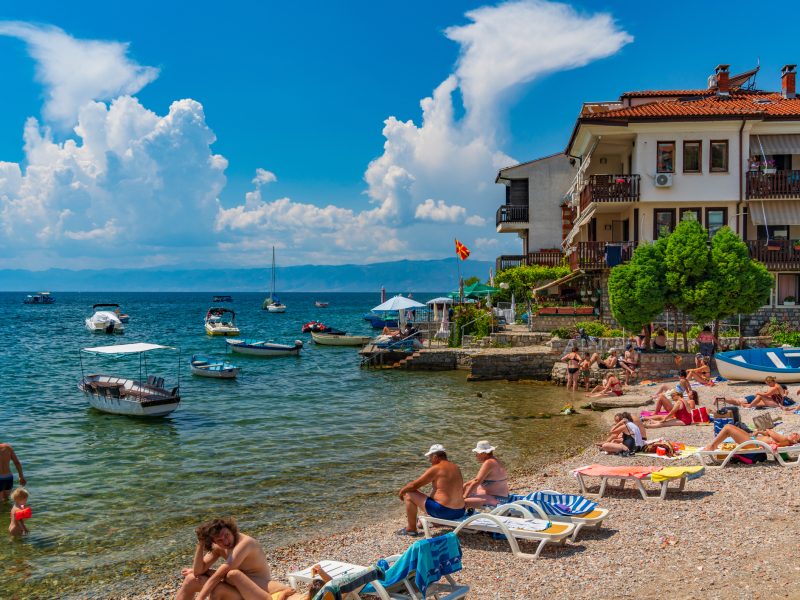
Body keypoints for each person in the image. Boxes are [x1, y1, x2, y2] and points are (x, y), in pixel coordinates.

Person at [176, 517, 290, 600]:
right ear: (213, 541)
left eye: (226, 535)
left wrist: (200, 598)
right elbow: (198, 571)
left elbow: (220, 575)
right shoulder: (218, 547)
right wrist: (200, 543)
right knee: (190, 579)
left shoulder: (245, 544)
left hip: (256, 591)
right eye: (219, 540)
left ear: (232, 530)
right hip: (234, 585)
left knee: (216, 589)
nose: (225, 542)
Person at [397, 444, 465, 537]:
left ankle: (411, 529)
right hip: (460, 511)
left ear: (435, 456)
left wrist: (402, 491)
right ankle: (436, 521)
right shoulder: (455, 467)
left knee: (409, 493)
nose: (429, 460)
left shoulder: (436, 468)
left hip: (444, 512)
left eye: (430, 457)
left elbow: (414, 485)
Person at [463, 441, 509, 508]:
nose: (476, 455)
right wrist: (466, 484)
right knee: (466, 489)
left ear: (484, 453)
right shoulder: (495, 460)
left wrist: (465, 496)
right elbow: (479, 479)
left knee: (461, 502)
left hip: (497, 500)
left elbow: (477, 481)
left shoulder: (488, 463)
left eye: (477, 453)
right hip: (502, 497)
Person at [702, 424, 800, 451]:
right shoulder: (784, 440)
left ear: (795, 441)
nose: (794, 433)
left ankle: (712, 446)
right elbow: (768, 434)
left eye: (796, 435)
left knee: (728, 428)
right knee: (732, 427)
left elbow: (770, 431)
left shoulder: (785, 440)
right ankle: (713, 445)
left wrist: (768, 430)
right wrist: (760, 431)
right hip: (751, 440)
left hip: (751, 443)